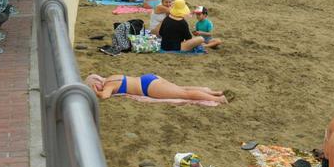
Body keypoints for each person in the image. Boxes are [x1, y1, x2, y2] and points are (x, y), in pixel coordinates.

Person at [84, 73, 228, 104]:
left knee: (185, 94)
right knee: (180, 89)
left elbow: (105, 96)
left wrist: (97, 92)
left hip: (148, 87)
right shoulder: (110, 77)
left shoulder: (108, 86)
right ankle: (213, 92)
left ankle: (218, 98)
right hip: (149, 78)